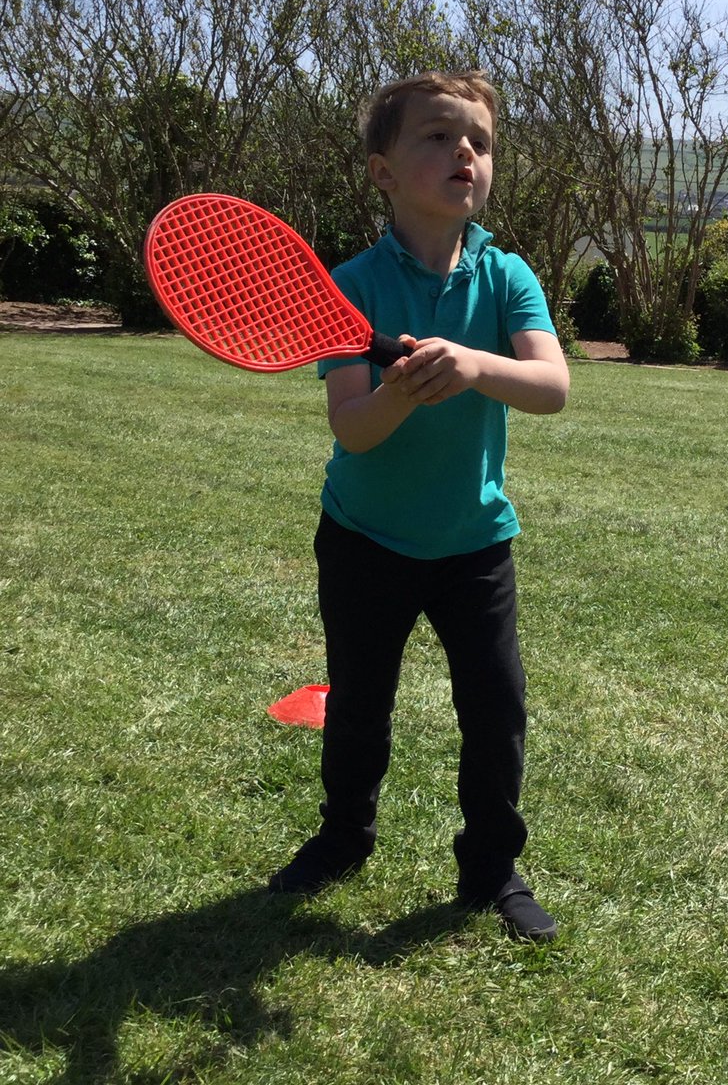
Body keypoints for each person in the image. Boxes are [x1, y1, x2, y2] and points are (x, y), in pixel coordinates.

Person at [267, 70, 570, 942]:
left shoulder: (507, 275)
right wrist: (402, 390)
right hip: (367, 539)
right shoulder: (351, 288)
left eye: (477, 139)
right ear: (383, 172)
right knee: (361, 703)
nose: (462, 153)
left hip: (475, 541)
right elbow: (354, 431)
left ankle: (491, 867)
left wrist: (473, 366)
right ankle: (342, 838)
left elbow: (551, 387)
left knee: (496, 708)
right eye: (435, 137)